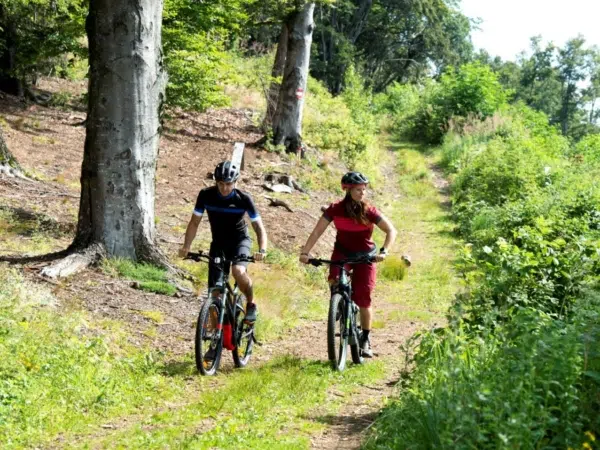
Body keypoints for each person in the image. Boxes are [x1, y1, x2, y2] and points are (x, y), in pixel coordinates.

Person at [299, 172, 397, 357]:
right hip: (342, 253)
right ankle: (340, 305)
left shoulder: (369, 211)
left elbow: (391, 230)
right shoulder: (335, 209)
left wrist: (384, 251)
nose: (362, 193)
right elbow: (317, 231)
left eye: (363, 190)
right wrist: (305, 252)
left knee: (364, 297)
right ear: (348, 190)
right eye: (358, 190)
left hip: (365, 257)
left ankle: (365, 339)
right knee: (334, 280)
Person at [179, 161, 267, 324]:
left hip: (240, 241)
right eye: (221, 184)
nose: (224, 188)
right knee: (214, 292)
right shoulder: (206, 195)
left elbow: (258, 226)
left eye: (228, 184)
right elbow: (194, 223)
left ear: (235, 183)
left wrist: (262, 249)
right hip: (218, 243)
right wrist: (186, 246)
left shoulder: (243, 198)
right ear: (215, 182)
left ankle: (251, 304)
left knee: (238, 271)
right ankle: (215, 336)